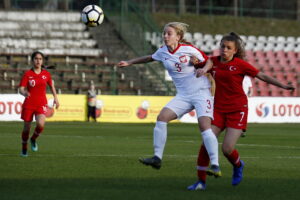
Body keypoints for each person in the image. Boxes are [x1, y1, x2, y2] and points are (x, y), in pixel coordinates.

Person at [189, 32, 295, 190]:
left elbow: (263, 76)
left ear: (235, 50)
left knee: (227, 149)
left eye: (228, 47)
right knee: (206, 143)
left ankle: (238, 165)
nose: (224, 50)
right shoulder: (213, 61)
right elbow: (201, 66)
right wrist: (195, 63)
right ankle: (201, 182)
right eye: (222, 46)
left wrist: (283, 86)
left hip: (237, 109)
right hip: (218, 109)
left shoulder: (240, 64)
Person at [117, 22, 221, 177]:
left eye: (169, 33)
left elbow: (211, 62)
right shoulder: (163, 51)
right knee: (162, 117)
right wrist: (129, 62)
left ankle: (215, 165)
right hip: (183, 95)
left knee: (204, 127)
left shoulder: (189, 50)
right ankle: (157, 158)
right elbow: (149, 58)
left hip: (201, 93)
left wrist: (201, 66)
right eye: (164, 33)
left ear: (178, 37)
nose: (165, 36)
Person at [19, 51, 59, 157]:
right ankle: (24, 148)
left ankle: (33, 139)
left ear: (42, 61)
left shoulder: (46, 74)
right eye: (36, 58)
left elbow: (52, 86)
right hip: (29, 104)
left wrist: (56, 98)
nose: (38, 61)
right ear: (32, 60)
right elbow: (21, 89)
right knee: (26, 128)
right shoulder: (27, 74)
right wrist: (24, 93)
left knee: (41, 125)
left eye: (40, 59)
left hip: (41, 103)